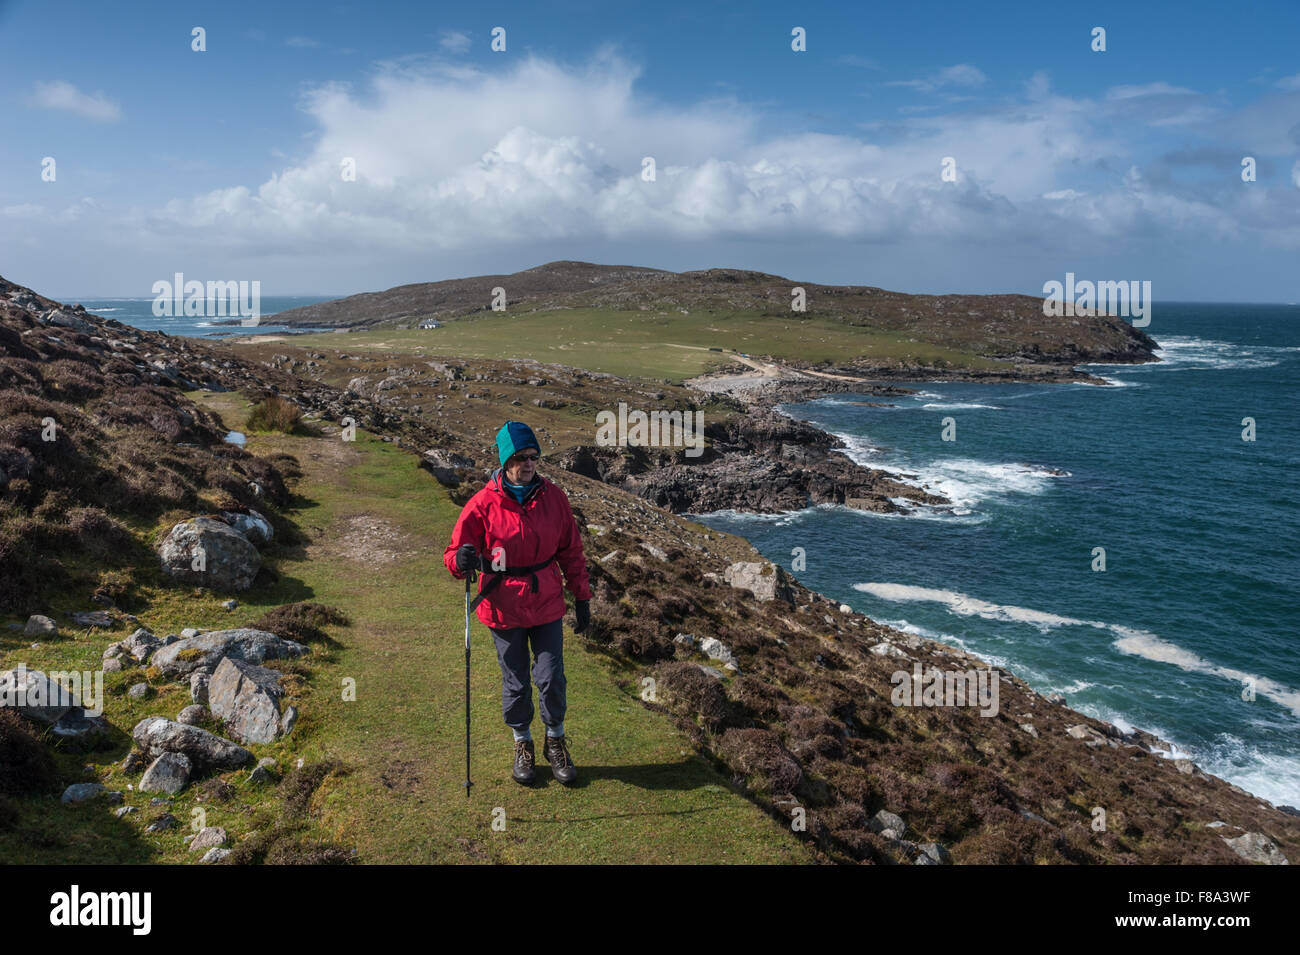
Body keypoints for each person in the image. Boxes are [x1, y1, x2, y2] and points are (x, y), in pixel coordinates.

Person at [443, 420, 592, 785]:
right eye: (521, 458)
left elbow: (571, 551)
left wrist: (583, 597)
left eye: (534, 457)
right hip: (502, 604)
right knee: (515, 683)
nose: (529, 464)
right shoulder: (481, 504)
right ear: (506, 460)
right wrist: (460, 561)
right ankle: (522, 743)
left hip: (545, 602)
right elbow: (454, 554)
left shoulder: (554, 498)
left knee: (551, 676)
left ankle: (554, 740)